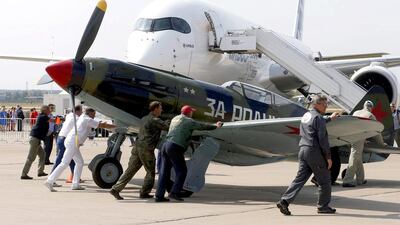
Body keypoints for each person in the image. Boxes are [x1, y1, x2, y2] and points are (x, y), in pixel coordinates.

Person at [277, 94, 339, 215]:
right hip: (314, 151)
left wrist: (330, 118)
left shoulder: (306, 115)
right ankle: (323, 206)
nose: (326, 107)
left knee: (300, 179)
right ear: (317, 104)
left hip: (303, 149)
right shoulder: (319, 118)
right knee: (325, 180)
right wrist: (328, 157)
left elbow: (314, 123)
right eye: (324, 104)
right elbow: (323, 139)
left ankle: (284, 201)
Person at [155, 105, 223, 202]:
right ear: (189, 112)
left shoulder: (175, 118)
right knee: (182, 171)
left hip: (165, 146)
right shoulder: (188, 121)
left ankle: (159, 196)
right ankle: (174, 193)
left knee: (164, 172)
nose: (192, 113)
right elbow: (202, 126)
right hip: (175, 147)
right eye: (192, 112)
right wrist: (216, 126)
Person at [45, 108, 116, 191]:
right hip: (72, 143)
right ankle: (50, 181)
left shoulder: (83, 117)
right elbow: (102, 125)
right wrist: (117, 127)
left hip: (72, 142)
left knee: (79, 162)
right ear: (89, 113)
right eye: (93, 114)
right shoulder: (87, 119)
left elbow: (100, 124)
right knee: (64, 163)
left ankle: (75, 184)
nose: (94, 116)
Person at [110, 101, 169, 200]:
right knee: (150, 171)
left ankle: (116, 189)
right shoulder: (154, 120)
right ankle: (144, 192)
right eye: (160, 108)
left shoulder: (144, 118)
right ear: (155, 109)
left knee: (130, 170)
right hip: (146, 149)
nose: (162, 110)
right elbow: (167, 127)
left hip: (137, 147)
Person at [342, 100, 385, 187]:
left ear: (364, 106)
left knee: (357, 157)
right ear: (371, 108)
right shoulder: (370, 115)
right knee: (354, 156)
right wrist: (381, 144)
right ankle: (347, 180)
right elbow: (377, 132)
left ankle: (360, 179)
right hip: (358, 137)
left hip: (347, 136)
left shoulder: (356, 112)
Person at [51, 105, 83, 181]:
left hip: (60, 137)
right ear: (77, 111)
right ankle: (51, 178)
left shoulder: (69, 115)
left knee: (71, 158)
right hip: (65, 139)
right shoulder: (77, 118)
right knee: (60, 160)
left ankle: (76, 178)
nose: (82, 112)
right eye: (81, 111)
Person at [21, 105, 52, 179]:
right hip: (35, 139)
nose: (50, 111)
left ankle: (40, 172)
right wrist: (61, 119)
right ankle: (24, 174)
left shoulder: (43, 116)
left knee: (42, 155)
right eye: (48, 109)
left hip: (36, 139)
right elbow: (52, 120)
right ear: (44, 110)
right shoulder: (42, 116)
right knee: (31, 157)